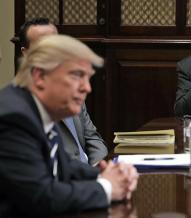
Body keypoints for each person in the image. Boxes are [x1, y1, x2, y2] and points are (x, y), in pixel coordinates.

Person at [0, 34, 138, 216]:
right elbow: (41, 197)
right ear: (40, 76)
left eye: (88, 78)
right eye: (77, 75)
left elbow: (63, 165)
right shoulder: (13, 117)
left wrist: (109, 173)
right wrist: (106, 187)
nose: (87, 88)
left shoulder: (41, 109)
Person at [19, 18, 108, 166]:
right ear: (26, 53)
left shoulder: (72, 86)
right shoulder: (23, 103)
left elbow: (92, 138)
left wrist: (99, 166)